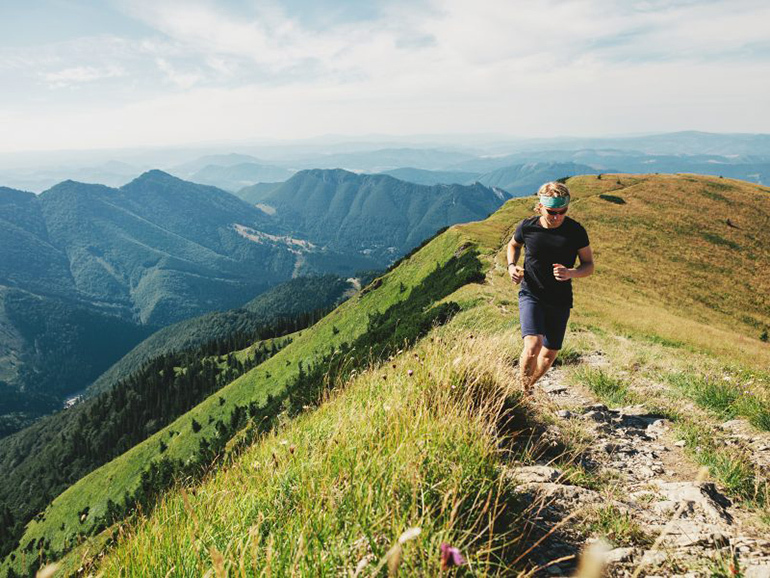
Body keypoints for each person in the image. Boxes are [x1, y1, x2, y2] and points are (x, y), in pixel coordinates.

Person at [506, 181, 594, 394]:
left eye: (562, 212)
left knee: (549, 354)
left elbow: (589, 265)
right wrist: (511, 266)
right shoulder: (527, 227)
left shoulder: (575, 231)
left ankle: (530, 385)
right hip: (531, 293)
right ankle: (523, 392)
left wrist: (570, 273)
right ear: (540, 207)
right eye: (551, 212)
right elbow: (513, 245)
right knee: (533, 346)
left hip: (560, 299)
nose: (556, 216)